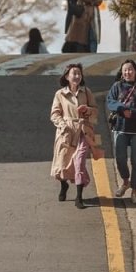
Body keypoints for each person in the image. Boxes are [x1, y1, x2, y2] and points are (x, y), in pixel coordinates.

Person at [50, 62, 99, 209]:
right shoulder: (60, 94)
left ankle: (79, 197)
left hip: (83, 130)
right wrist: (62, 125)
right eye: (74, 73)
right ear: (67, 76)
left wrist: (88, 110)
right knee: (63, 163)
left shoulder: (86, 92)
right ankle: (64, 185)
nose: (77, 76)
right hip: (66, 132)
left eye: (79, 73)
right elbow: (54, 114)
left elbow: (95, 110)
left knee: (79, 162)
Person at [106, 59, 136, 202]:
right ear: (122, 72)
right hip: (120, 127)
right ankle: (125, 181)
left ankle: (134, 191)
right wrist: (122, 109)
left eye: (130, 69)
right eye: (125, 70)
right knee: (120, 159)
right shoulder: (117, 86)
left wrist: (132, 113)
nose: (128, 72)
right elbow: (110, 102)